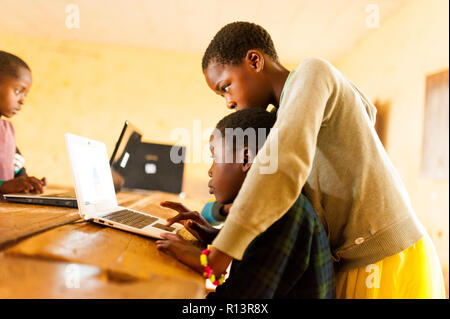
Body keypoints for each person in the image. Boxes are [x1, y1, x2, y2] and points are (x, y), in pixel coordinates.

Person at [195, 21, 445, 299]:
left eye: (226, 86)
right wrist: (217, 222)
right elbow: (277, 196)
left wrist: (223, 251)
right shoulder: (284, 118)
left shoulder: (312, 72)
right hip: (350, 260)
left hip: (384, 256)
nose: (228, 102)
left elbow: (283, 169)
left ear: (254, 60)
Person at [156, 108, 334, 298]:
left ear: (246, 158)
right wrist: (216, 237)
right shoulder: (272, 205)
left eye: (214, 157)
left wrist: (203, 263)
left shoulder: (282, 215)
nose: (210, 171)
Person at [0, 51, 46, 195]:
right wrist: (2, 186)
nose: (22, 100)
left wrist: (27, 183)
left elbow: (16, 168)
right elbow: (5, 184)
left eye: (25, 95)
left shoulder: (7, 130)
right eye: (18, 91)